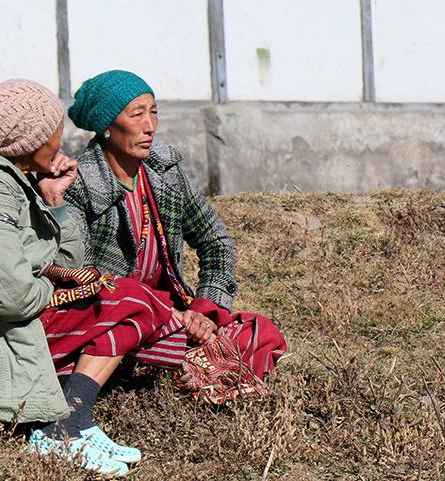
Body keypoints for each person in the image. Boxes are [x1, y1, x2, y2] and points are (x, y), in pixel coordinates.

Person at [0, 79, 186, 477]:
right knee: (129, 299)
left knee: (132, 298)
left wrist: (55, 202)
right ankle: (60, 429)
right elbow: (14, 297)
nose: (60, 141)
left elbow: (61, 260)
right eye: (54, 132)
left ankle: (74, 421)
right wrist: (58, 291)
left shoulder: (13, 181)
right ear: (31, 138)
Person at [63, 70, 287, 403]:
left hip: (175, 314)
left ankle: (177, 362)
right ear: (107, 126)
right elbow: (78, 275)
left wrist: (204, 309)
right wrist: (166, 315)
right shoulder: (78, 183)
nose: (149, 126)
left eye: (153, 112)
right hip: (115, 314)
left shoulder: (164, 171)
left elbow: (215, 240)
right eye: (136, 114)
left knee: (258, 331)